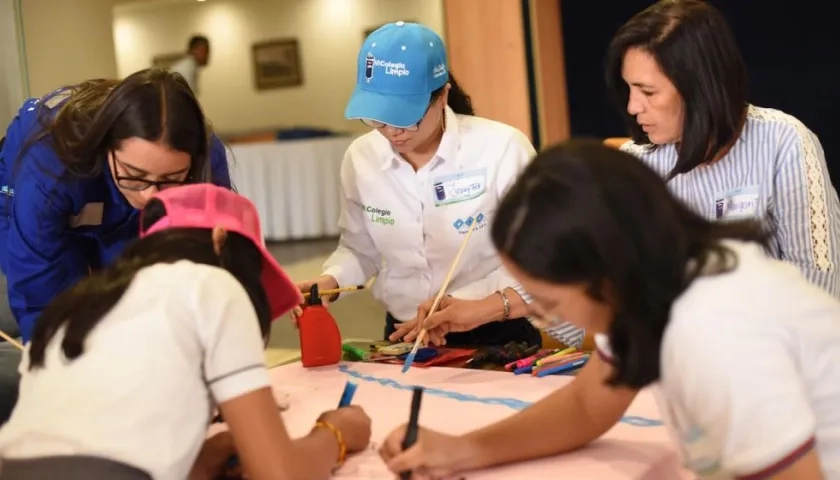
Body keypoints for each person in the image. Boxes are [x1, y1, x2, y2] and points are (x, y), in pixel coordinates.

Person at [379, 139, 840, 479]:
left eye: (551, 304)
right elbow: (586, 405)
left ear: (604, 275)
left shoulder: (713, 327)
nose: (547, 317)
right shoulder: (652, 287)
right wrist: (463, 450)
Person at [0, 184, 372, 480]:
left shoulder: (77, 303)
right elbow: (280, 473)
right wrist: (336, 433)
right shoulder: (212, 284)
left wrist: (198, 461)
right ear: (220, 240)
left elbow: (92, 446)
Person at [294, 21, 569, 349]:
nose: (393, 132)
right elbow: (358, 249)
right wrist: (331, 281)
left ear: (442, 96)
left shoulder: (501, 148)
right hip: (405, 337)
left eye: (405, 118)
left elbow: (540, 260)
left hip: (494, 331)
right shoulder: (361, 158)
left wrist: (474, 306)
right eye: (378, 119)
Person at [605, 0, 840, 297]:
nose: (632, 106)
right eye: (629, 89)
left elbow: (819, 284)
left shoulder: (784, 141)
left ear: (700, 87)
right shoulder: (635, 166)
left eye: (648, 92)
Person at [0, 67, 231, 346]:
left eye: (170, 179)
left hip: (107, 201)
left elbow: (220, 260)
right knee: (69, 316)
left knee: (142, 304)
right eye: (135, 175)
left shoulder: (204, 156)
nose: (150, 196)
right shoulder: (50, 169)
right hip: (48, 186)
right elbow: (39, 297)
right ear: (107, 145)